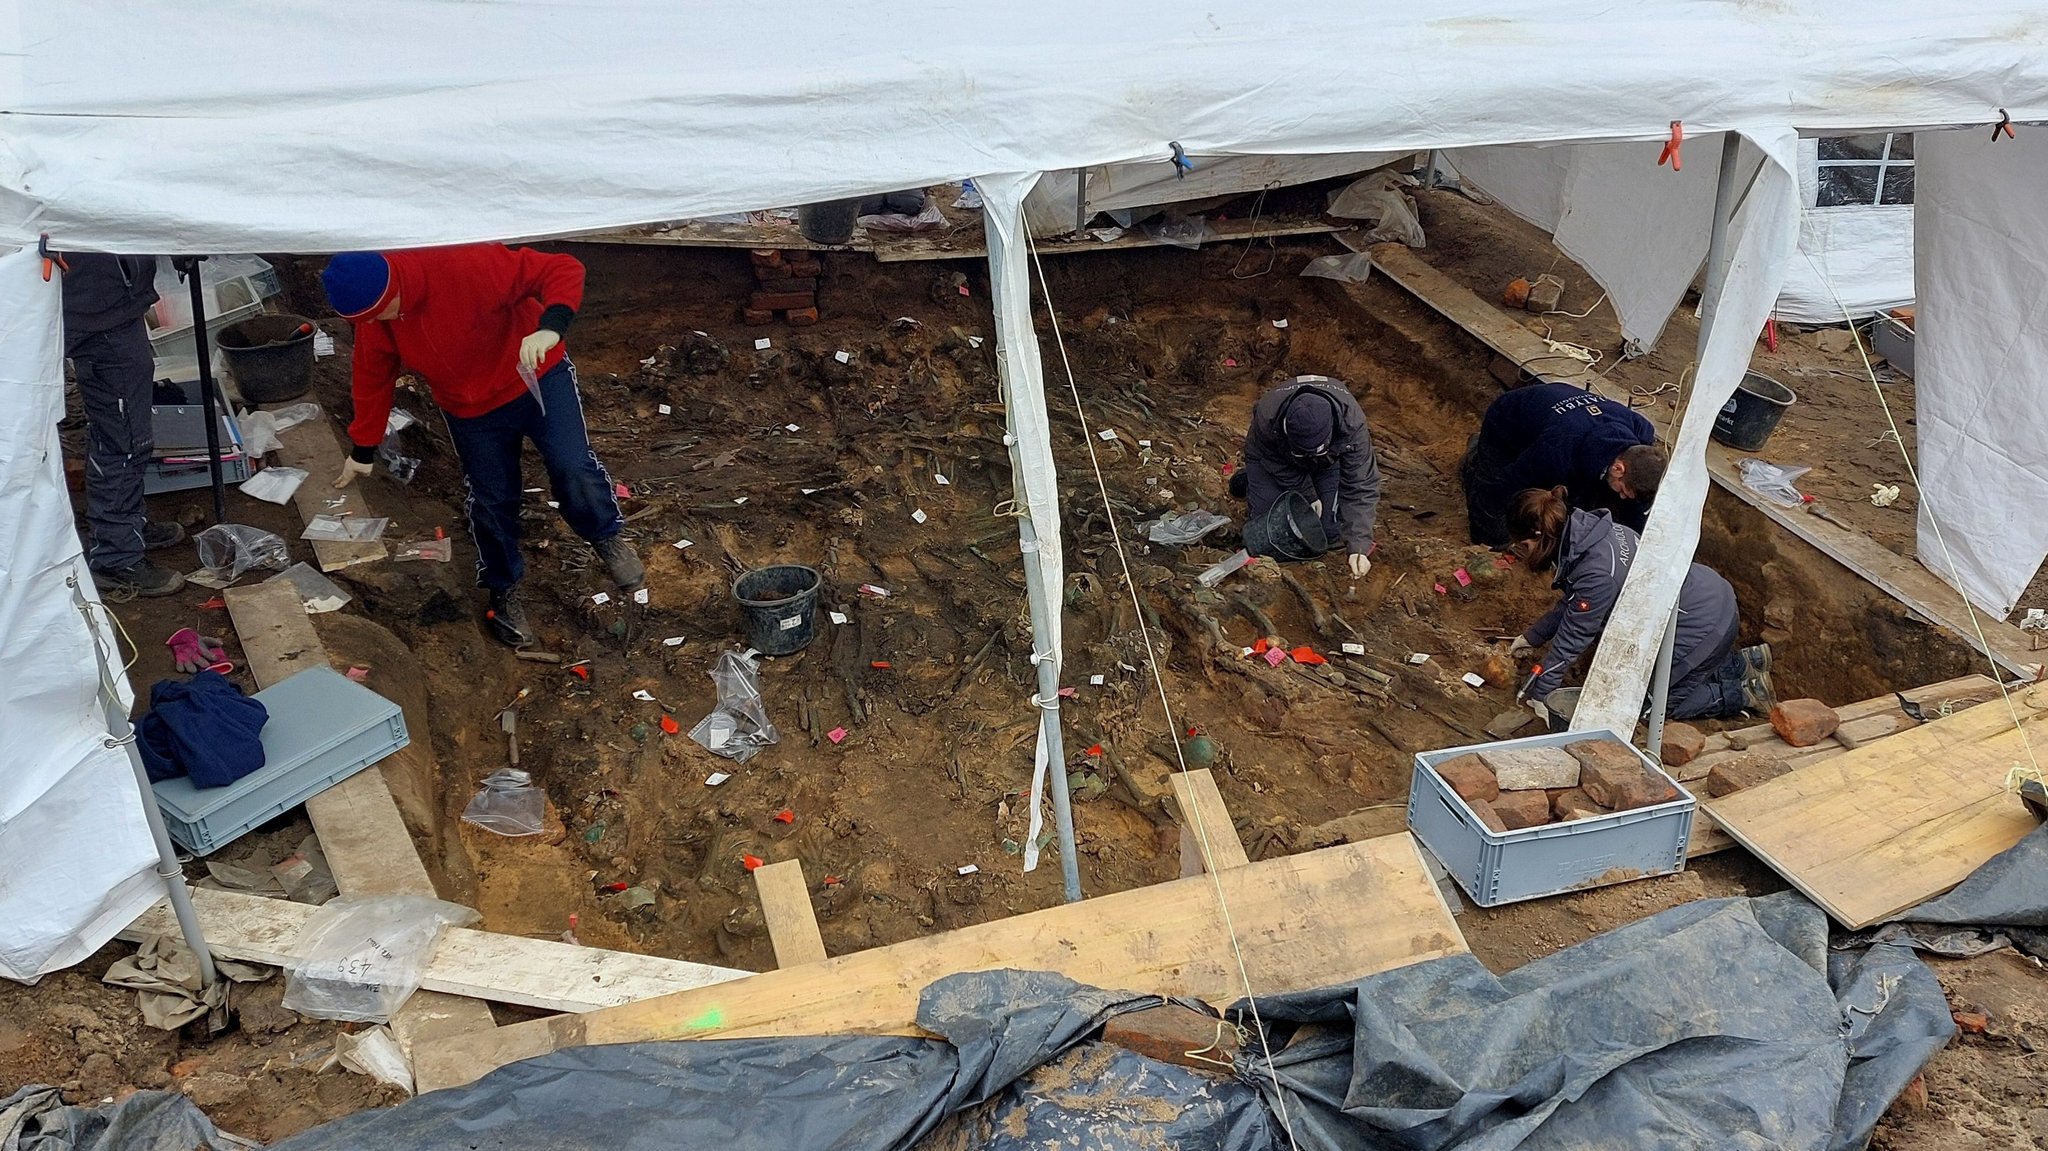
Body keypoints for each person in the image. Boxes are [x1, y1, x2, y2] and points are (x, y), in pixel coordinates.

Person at [321, 244, 642, 648]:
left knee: (571, 466)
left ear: (392, 288)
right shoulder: (376, 319)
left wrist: (551, 324)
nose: (374, 323)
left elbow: (561, 268)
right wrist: (363, 447)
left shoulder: (466, 263)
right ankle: (503, 589)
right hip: (469, 409)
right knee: (491, 499)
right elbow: (372, 374)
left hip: (537, 377)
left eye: (377, 313)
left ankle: (604, 536)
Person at [1506, 486, 1771, 720]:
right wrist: (1533, 637)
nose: (1526, 553)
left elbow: (1572, 640)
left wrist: (1542, 695)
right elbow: (1574, 602)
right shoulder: (1597, 533)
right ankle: (1744, 663)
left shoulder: (1597, 574)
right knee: (1680, 674)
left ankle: (1744, 693)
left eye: (1525, 546)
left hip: (1698, 626)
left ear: (1541, 534)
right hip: (1709, 595)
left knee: (1647, 708)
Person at [63, 253, 187, 597]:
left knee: (126, 430)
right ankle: (116, 556)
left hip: (115, 303)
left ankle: (126, 529)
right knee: (124, 439)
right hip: (97, 311)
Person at [1461, 381, 1666, 547]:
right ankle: (1474, 460)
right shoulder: (1556, 453)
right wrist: (1486, 543)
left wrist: (1636, 547)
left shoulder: (1642, 432)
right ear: (1618, 468)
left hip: (1558, 416)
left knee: (1583, 498)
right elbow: (1500, 490)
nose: (1622, 497)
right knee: (1495, 499)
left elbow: (1636, 507)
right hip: (1509, 421)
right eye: (1622, 490)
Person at [1233, 375, 1381, 576]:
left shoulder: (1351, 425)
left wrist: (1359, 546)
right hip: (1275, 461)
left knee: (1327, 533)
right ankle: (1251, 479)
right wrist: (1307, 492)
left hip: (1326, 464)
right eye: (1302, 451)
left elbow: (1360, 484)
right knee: (1270, 532)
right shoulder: (1268, 417)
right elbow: (1272, 459)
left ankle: (1311, 468)